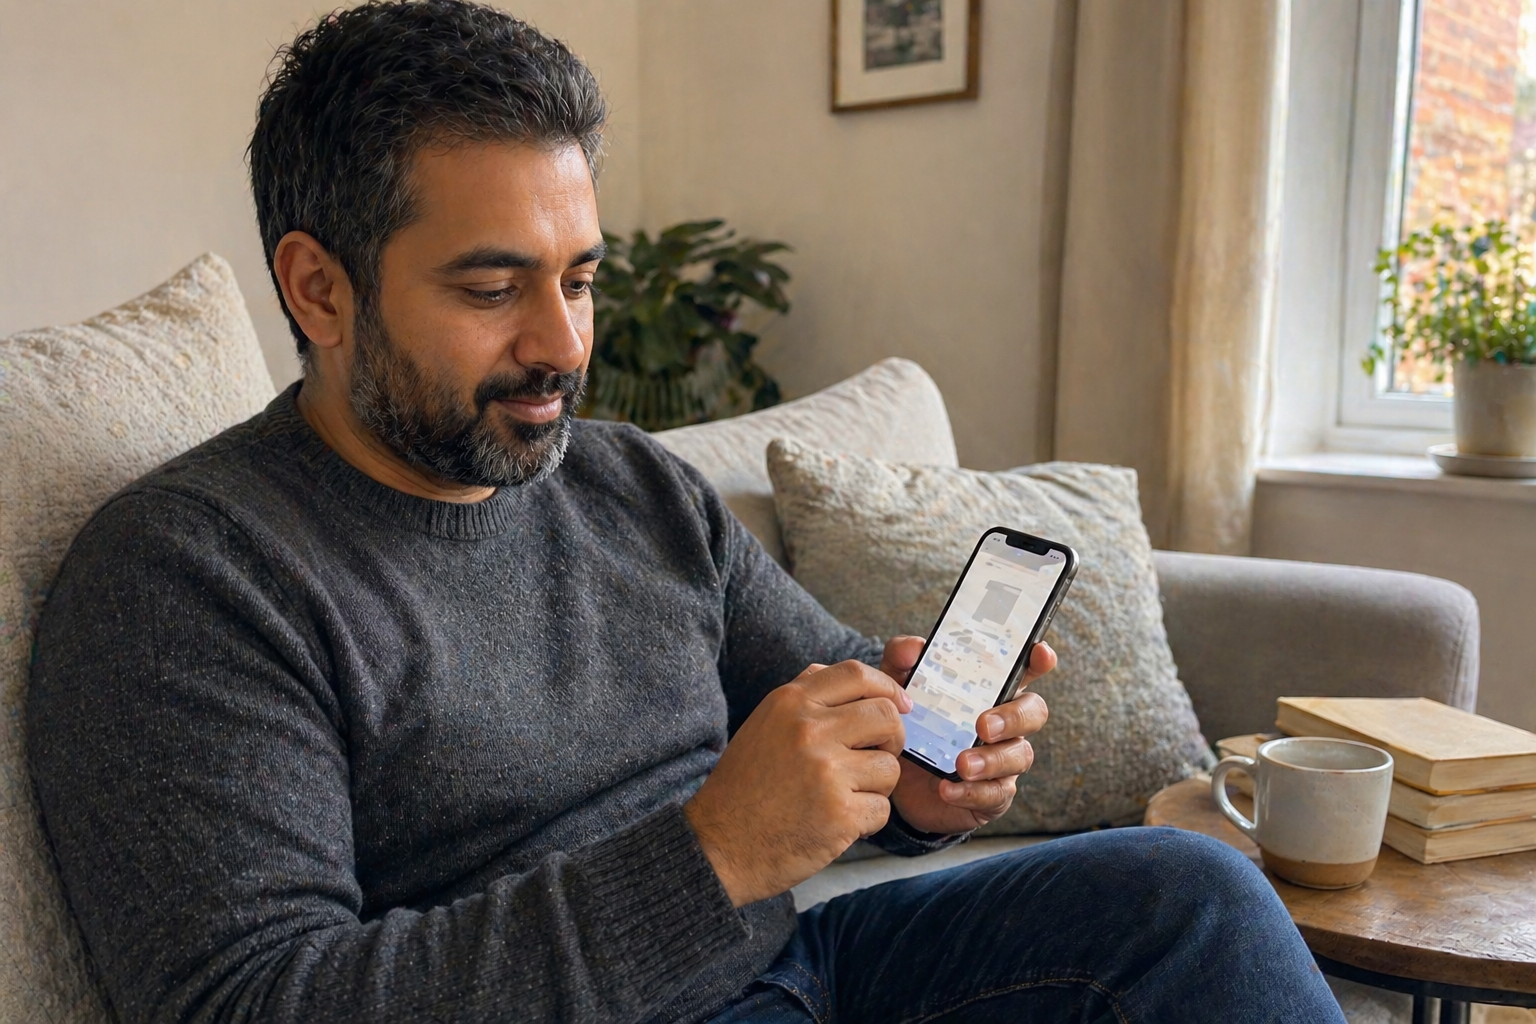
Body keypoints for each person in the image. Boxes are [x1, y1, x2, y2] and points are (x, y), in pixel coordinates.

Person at [27, 3, 1346, 1022]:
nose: (562, 343)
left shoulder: (627, 484)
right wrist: (711, 855)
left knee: (1192, 899)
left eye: (581, 278)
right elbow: (260, 1003)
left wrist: (919, 781)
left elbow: (831, 724)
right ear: (319, 289)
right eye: (494, 290)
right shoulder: (188, 580)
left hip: (794, 965)